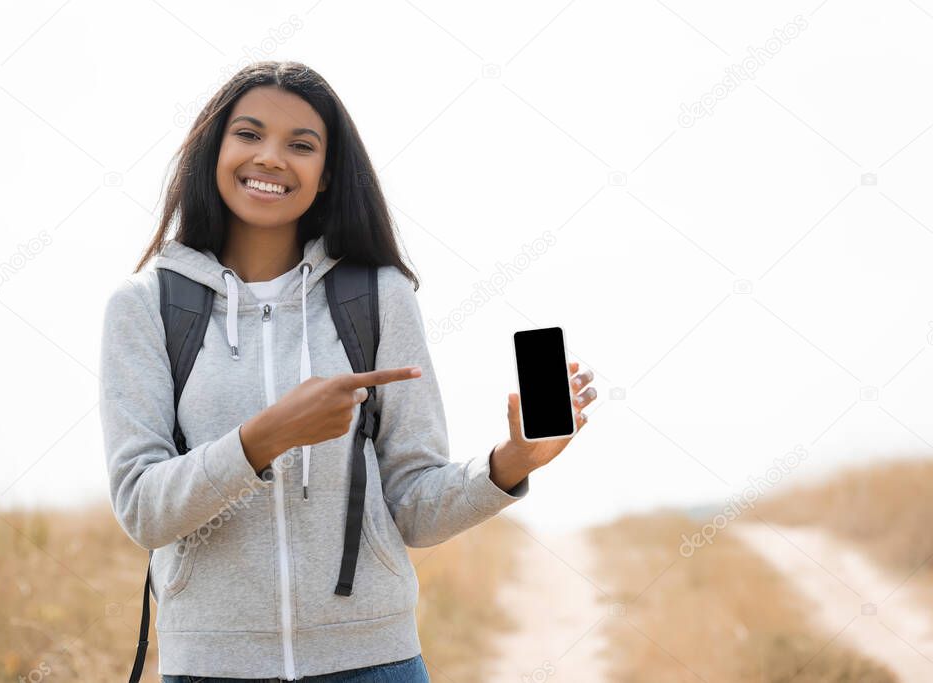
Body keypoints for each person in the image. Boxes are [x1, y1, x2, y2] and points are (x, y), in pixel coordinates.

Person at [98, 60, 597, 682]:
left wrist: (511, 461)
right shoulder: (146, 306)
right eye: (249, 135)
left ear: (327, 173)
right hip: (210, 666)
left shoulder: (378, 296)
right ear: (213, 149)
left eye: (301, 145)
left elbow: (413, 506)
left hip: (374, 662)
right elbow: (143, 509)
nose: (272, 158)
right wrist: (267, 437)